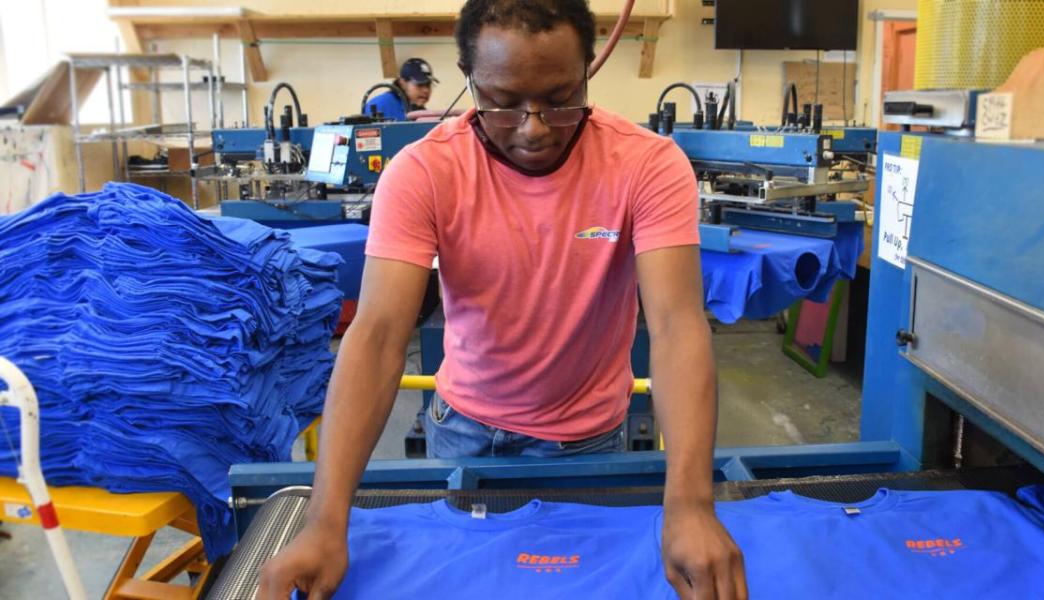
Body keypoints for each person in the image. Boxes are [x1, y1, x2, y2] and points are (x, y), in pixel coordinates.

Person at [257, 1, 747, 599]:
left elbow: (675, 326)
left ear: (589, 68)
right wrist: (326, 522)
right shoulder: (424, 173)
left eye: (560, 96)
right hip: (464, 432)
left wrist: (692, 504)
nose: (534, 126)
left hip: (590, 442)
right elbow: (379, 334)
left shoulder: (646, 164)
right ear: (466, 76)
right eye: (503, 101)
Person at [363, 57, 439, 120]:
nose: (426, 90)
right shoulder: (380, 105)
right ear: (402, 83)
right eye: (420, 84)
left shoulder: (422, 113)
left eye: (428, 85)